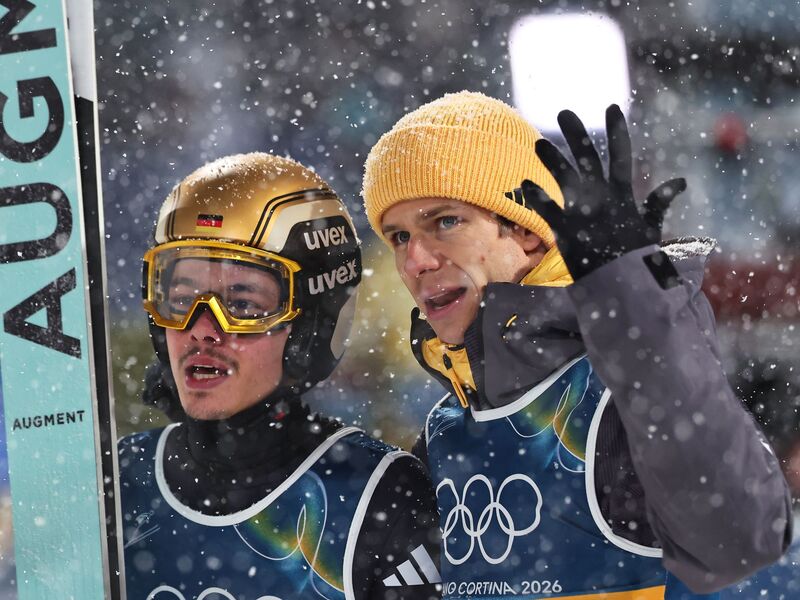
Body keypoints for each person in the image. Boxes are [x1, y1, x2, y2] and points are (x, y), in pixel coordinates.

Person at [361, 91, 792, 599]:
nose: (416, 261)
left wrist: (634, 300)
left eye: (445, 222)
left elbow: (742, 541)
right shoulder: (445, 431)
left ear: (525, 230)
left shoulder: (617, 390)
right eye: (398, 237)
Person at [118, 152, 442, 600]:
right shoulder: (118, 479)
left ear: (308, 330)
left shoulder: (375, 494)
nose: (203, 330)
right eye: (181, 297)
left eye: (244, 304)